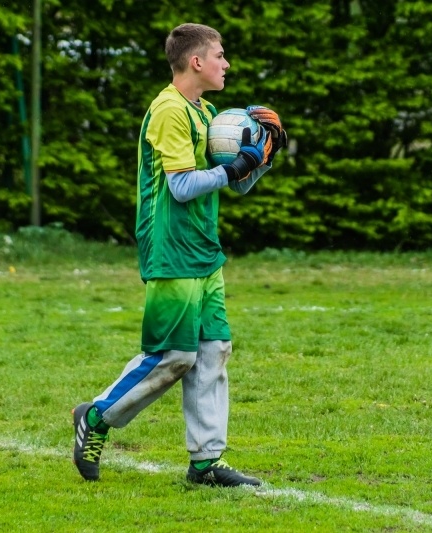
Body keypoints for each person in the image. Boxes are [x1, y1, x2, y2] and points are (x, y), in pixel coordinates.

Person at [71, 23, 287, 487]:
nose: (225, 64)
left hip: (204, 249)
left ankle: (206, 463)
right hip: (170, 246)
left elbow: (233, 180)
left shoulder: (206, 111)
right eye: (220, 56)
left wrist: (262, 158)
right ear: (196, 62)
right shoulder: (169, 110)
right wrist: (235, 168)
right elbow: (183, 185)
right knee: (174, 355)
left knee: (213, 351)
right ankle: (97, 415)